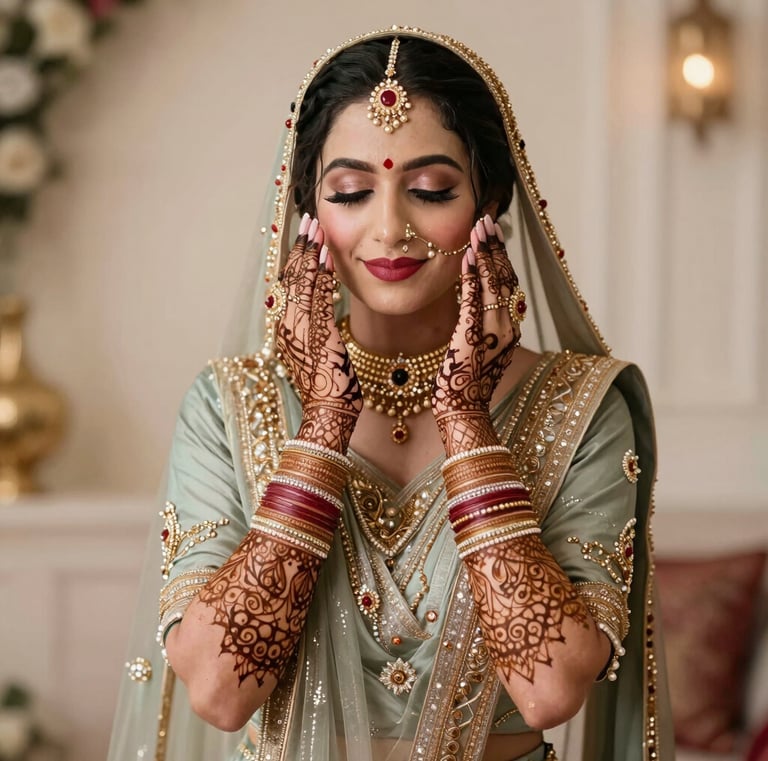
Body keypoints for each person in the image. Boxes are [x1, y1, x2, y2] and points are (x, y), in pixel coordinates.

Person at [108, 25, 673, 761]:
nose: (390, 229)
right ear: (308, 209)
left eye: (431, 189)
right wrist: (320, 432)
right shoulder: (233, 403)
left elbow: (550, 689)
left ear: (489, 200)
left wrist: (468, 424)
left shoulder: (582, 405)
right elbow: (218, 690)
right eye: (350, 192)